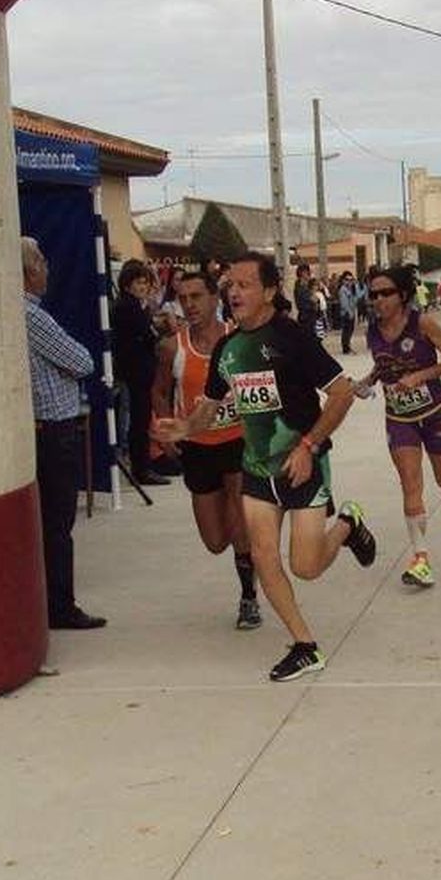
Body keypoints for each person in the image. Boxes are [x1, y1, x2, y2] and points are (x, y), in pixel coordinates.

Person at [155, 252, 375, 682]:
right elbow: (210, 407)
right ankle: (305, 646)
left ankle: (348, 525)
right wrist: (185, 427)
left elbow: (341, 394)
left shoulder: (292, 338)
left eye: (245, 285)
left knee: (306, 567)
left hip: (303, 466)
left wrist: (308, 445)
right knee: (262, 555)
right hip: (256, 469)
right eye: (230, 286)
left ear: (270, 291)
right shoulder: (229, 348)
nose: (234, 293)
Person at [158, 269, 261, 630]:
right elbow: (158, 391)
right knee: (216, 541)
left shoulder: (240, 338)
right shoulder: (172, 347)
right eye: (183, 298)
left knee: (241, 518)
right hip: (198, 448)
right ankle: (245, 537)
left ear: (215, 298)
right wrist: (165, 431)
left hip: (238, 441)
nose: (190, 305)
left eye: (197, 296)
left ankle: (249, 596)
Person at [355, 264, 441, 588]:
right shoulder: (373, 330)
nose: (378, 300)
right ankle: (421, 559)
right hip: (399, 418)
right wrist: (366, 382)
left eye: (385, 293)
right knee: (410, 481)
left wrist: (421, 376)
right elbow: (383, 365)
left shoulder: (422, 323)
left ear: (403, 295)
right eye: (373, 294)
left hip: (434, 412)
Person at [22, 236, 105, 631]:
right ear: (29, 271)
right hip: (54, 430)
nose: (47, 269)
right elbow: (82, 361)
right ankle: (60, 605)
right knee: (57, 523)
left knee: (49, 522)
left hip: (43, 429)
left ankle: (50, 601)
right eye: (42, 262)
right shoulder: (32, 316)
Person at [111, 258, 168, 487]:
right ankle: (141, 469)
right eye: (139, 282)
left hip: (138, 370)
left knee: (141, 420)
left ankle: (143, 465)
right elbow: (148, 334)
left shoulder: (133, 306)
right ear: (128, 284)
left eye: (145, 282)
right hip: (135, 372)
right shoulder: (129, 307)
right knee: (138, 421)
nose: (143, 287)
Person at [336, 271, 360, 355]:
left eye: (351, 280)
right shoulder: (343, 290)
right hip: (346, 313)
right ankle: (346, 348)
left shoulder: (351, 289)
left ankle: (348, 346)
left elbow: (357, 298)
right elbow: (344, 303)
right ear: (343, 280)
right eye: (347, 279)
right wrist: (349, 313)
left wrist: (356, 287)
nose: (349, 282)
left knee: (350, 330)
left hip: (352, 312)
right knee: (346, 331)